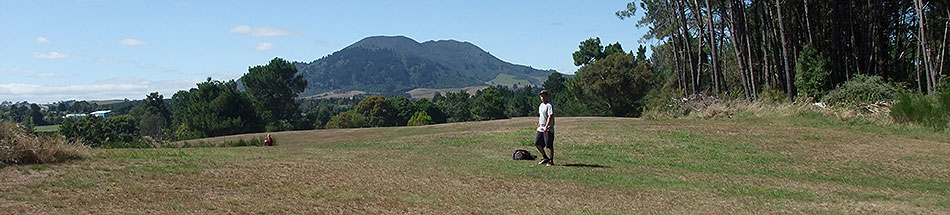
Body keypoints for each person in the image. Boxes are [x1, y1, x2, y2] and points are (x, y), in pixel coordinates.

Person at [535, 90, 555, 166]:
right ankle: (545, 157)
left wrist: (546, 127)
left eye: (544, 96)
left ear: (547, 96)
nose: (542, 97)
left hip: (548, 128)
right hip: (541, 127)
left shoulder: (549, 105)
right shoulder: (541, 105)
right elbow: (541, 116)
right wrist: (539, 125)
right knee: (537, 143)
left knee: (549, 145)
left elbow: (550, 116)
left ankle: (551, 160)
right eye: (541, 96)